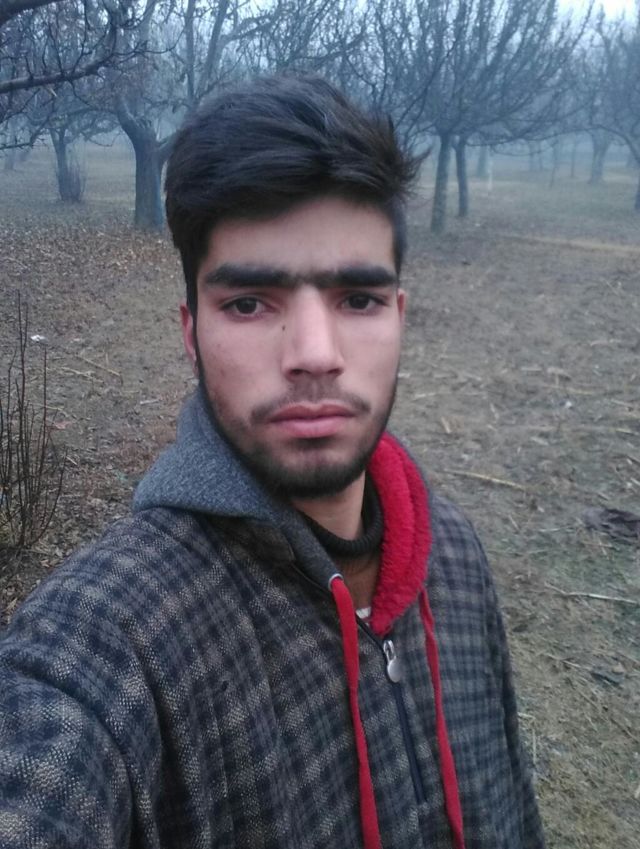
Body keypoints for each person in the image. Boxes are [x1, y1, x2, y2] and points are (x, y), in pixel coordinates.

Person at [0, 75, 545, 849]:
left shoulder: (453, 557)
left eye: (357, 298)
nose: (315, 354)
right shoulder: (113, 640)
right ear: (190, 332)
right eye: (250, 303)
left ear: (399, 316)